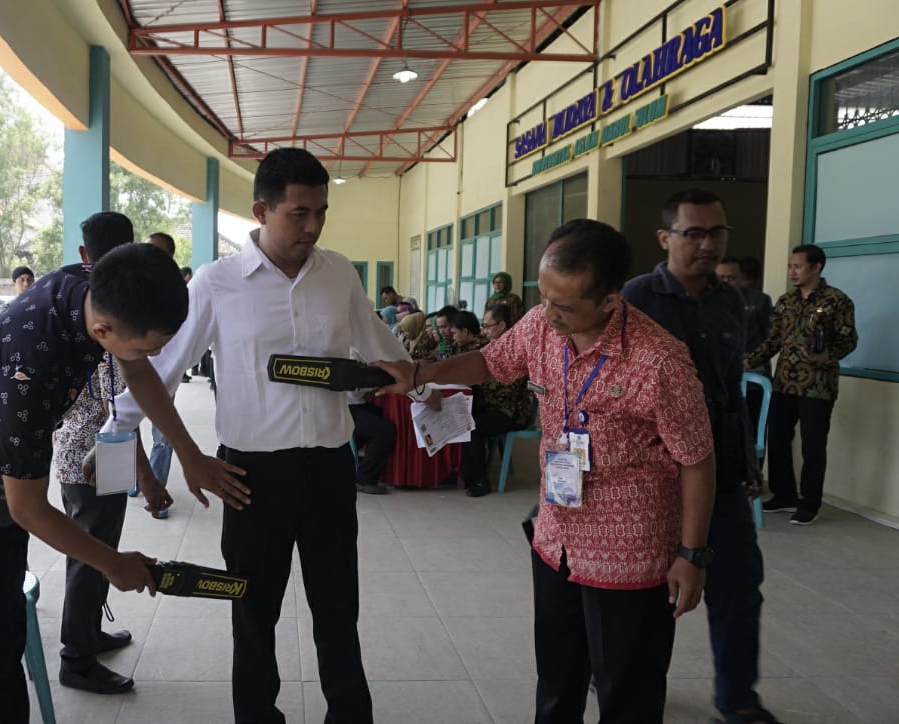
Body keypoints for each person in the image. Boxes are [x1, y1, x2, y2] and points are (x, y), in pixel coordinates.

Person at [103, 147, 432, 724]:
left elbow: (382, 349)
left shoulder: (338, 274)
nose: (313, 226)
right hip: (251, 477)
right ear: (261, 209)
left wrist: (424, 385)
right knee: (253, 610)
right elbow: (166, 368)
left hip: (330, 469)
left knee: (338, 610)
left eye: (321, 213)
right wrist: (111, 442)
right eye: (298, 214)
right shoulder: (217, 283)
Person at [374, 218, 716, 724]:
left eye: (565, 306)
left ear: (609, 302)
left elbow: (697, 459)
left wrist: (692, 554)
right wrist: (421, 373)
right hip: (556, 539)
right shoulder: (541, 324)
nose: (548, 314)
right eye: (545, 297)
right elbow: (493, 362)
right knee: (556, 683)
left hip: (629, 554)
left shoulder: (659, 361)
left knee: (628, 695)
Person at [0, 242, 246, 723]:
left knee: (2, 633)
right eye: (149, 345)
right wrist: (113, 563)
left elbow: (138, 370)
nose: (158, 356)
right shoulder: (29, 372)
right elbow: (29, 509)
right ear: (104, 329)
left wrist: (190, 455)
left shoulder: (92, 282)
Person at [623, 188, 778, 724]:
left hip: (722, 472)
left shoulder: (731, 301)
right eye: (694, 233)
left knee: (739, 587)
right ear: (666, 237)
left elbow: (731, 389)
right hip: (652, 475)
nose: (708, 244)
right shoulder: (635, 299)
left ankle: (738, 699)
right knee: (641, 599)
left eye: (717, 233)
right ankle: (621, 686)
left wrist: (750, 460)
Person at [48, 213, 173, 695]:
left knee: (101, 549)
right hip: (91, 457)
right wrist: (148, 476)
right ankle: (76, 660)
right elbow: (117, 410)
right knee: (92, 555)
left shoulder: (93, 306)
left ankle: (90, 636)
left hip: (99, 454)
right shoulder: (114, 316)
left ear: (85, 254)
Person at [746, 244, 858, 525]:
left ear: (816, 267)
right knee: (779, 439)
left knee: (813, 445)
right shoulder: (786, 301)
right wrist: (748, 361)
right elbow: (773, 340)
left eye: (798, 266)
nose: (792, 272)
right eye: (789, 266)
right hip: (784, 383)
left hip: (818, 386)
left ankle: (810, 503)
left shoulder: (837, 300)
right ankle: (784, 494)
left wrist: (827, 355)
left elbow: (849, 340)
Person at [450, 308, 533, 497]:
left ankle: (480, 480)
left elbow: (507, 389)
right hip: (493, 407)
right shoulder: (493, 347)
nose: (484, 331)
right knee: (464, 420)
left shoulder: (515, 351)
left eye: (487, 326)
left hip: (512, 412)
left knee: (474, 426)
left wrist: (478, 379)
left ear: (502, 325)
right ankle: (466, 474)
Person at [142, 232, 179, 514]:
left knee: (163, 437)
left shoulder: (178, 292)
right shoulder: (133, 282)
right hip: (131, 370)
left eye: (157, 251)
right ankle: (139, 480)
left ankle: (156, 494)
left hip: (163, 374)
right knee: (124, 425)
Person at [718, 259, 774, 429]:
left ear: (741, 278)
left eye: (731, 278)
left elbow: (773, 337)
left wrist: (752, 361)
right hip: (718, 380)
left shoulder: (760, 300)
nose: (726, 282)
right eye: (721, 277)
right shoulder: (706, 302)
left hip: (752, 377)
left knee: (751, 429)